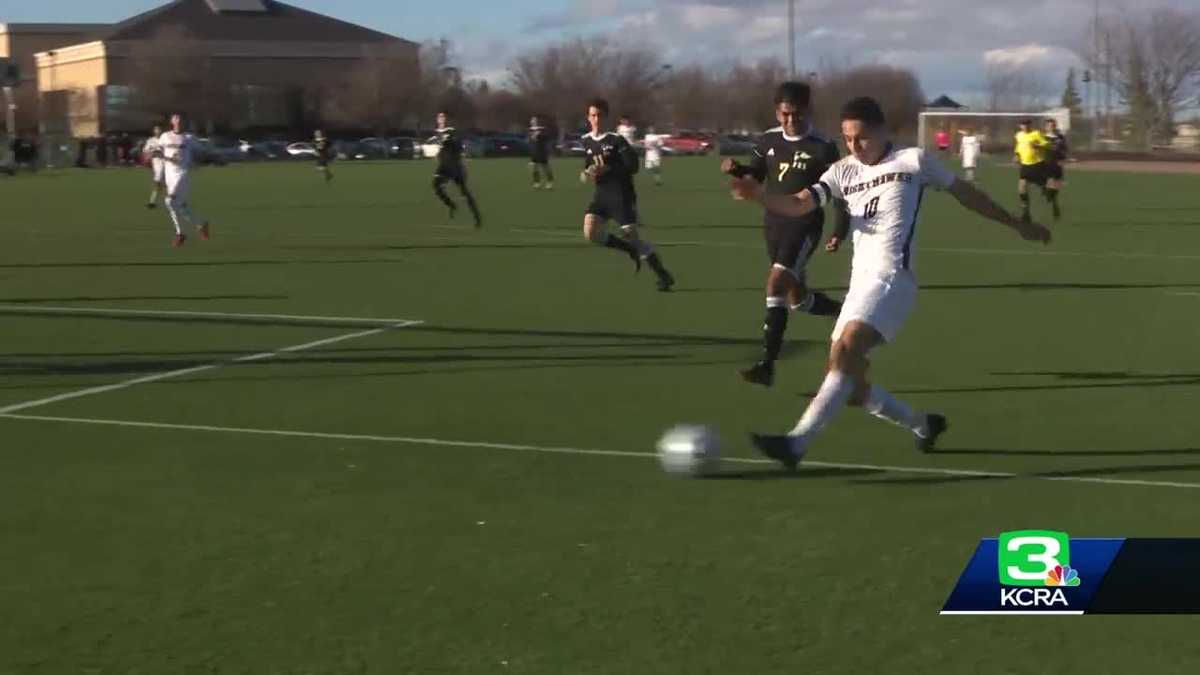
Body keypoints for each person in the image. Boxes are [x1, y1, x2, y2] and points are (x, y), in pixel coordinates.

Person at [729, 96, 1051, 467]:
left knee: (847, 353)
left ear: (882, 130)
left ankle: (796, 444)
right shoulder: (841, 171)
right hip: (859, 285)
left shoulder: (913, 161)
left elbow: (967, 195)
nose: (854, 146)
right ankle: (922, 424)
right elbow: (801, 204)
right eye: (848, 138)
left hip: (893, 279)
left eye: (861, 138)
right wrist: (760, 196)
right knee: (849, 384)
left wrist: (1016, 224)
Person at [721, 81, 848, 388]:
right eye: (785, 114)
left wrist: (839, 230)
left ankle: (767, 365)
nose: (791, 120)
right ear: (777, 112)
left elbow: (841, 192)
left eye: (797, 114)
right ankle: (843, 311)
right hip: (773, 223)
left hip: (805, 224)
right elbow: (757, 175)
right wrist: (738, 172)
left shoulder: (823, 146)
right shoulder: (767, 140)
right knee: (796, 299)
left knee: (776, 282)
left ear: (808, 110)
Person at [580, 97, 675, 292]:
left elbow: (633, 167)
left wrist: (609, 169)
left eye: (599, 115)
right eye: (592, 115)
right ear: (588, 118)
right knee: (590, 232)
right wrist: (586, 172)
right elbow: (588, 165)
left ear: (605, 117)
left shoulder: (616, 140)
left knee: (632, 235)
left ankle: (663, 275)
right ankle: (628, 250)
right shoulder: (586, 140)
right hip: (601, 195)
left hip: (621, 194)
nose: (596, 119)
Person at [159, 113, 211, 247]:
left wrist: (200, 160)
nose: (178, 121)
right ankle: (201, 224)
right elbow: (158, 151)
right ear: (171, 121)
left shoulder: (188, 138)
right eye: (176, 118)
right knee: (181, 207)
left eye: (181, 119)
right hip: (169, 176)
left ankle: (180, 233)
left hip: (181, 175)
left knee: (169, 201)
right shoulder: (165, 136)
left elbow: (203, 150)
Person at [430, 110, 482, 228]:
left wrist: (449, 142)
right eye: (439, 116)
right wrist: (438, 153)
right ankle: (452, 205)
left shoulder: (451, 131)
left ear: (446, 119)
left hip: (454, 166)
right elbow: (440, 146)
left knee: (464, 193)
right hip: (444, 166)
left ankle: (477, 216)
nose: (441, 118)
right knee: (436, 185)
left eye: (443, 116)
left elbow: (457, 145)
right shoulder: (437, 133)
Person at [1013, 119, 1050, 224]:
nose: (1025, 127)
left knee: (1041, 185)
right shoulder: (1018, 135)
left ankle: (1045, 189)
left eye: (1026, 124)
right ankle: (1026, 213)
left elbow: (1047, 145)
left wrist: (1038, 146)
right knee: (1022, 187)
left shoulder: (1036, 134)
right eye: (1023, 125)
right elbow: (1018, 146)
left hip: (1038, 165)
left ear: (1030, 125)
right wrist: (1016, 155)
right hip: (1025, 165)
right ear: (1020, 126)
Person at [1042, 118, 1068, 220]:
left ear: (1055, 126)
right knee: (1046, 184)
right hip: (1045, 164)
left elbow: (1065, 149)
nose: (1051, 127)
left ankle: (1054, 204)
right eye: (1049, 125)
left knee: (1056, 186)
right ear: (1046, 127)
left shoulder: (1060, 137)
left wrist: (1063, 159)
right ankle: (1048, 195)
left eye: (1053, 125)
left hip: (1057, 164)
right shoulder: (1042, 137)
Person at [528, 116, 555, 190]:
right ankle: (537, 183)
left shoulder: (542, 129)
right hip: (534, 152)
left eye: (534, 120)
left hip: (542, 151)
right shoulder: (530, 130)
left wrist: (539, 135)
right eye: (532, 120)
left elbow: (547, 138)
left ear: (537, 121)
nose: (532, 121)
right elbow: (531, 141)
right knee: (534, 168)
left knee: (545, 168)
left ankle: (550, 182)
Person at [144, 125, 165, 208]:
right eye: (156, 129)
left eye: (159, 129)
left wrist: (160, 153)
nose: (157, 131)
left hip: (166, 163)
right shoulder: (150, 140)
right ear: (154, 131)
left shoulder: (165, 139)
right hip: (157, 164)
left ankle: (152, 202)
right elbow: (146, 151)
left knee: (162, 183)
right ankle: (153, 202)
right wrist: (150, 154)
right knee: (158, 183)